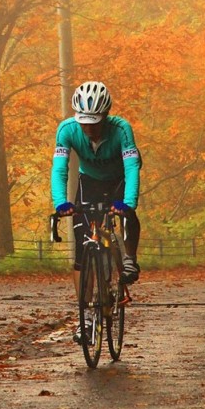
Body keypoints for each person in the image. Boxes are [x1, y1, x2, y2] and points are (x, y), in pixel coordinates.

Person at [51, 80, 142, 343]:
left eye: (94, 121)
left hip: (118, 179)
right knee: (83, 248)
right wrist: (60, 203)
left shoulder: (121, 129)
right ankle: (86, 318)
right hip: (89, 182)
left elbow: (132, 169)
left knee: (126, 214)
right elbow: (59, 168)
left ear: (105, 116)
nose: (89, 128)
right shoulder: (67, 130)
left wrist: (128, 203)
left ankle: (129, 259)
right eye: (84, 122)